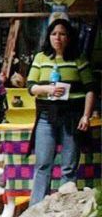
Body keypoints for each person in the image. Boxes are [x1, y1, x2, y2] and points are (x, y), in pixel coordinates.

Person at [25, 18, 96, 205]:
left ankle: (66, 209)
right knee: (43, 165)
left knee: (69, 167)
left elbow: (90, 89)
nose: (58, 38)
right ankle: (37, 208)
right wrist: (47, 89)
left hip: (72, 118)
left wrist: (86, 116)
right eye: (54, 34)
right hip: (46, 116)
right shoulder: (40, 58)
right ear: (49, 36)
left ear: (69, 37)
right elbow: (30, 86)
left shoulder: (78, 59)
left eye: (63, 34)